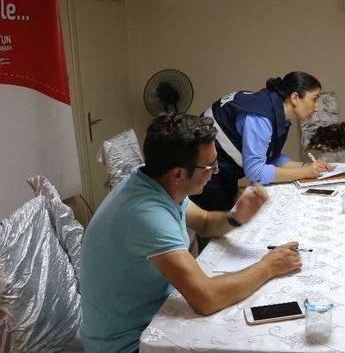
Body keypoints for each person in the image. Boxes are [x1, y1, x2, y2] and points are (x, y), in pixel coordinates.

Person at [79, 113, 302, 353]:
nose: (216, 172)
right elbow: (206, 299)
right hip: (128, 344)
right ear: (177, 174)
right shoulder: (146, 214)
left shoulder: (154, 179)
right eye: (210, 166)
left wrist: (236, 217)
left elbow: (205, 222)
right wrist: (268, 266)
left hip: (153, 316)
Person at [190, 71, 332, 213]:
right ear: (295, 97)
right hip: (203, 167)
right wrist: (304, 172)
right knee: (215, 225)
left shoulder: (277, 111)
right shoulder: (261, 117)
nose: (317, 107)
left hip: (223, 167)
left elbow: (271, 156)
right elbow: (256, 172)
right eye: (314, 99)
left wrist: (306, 166)